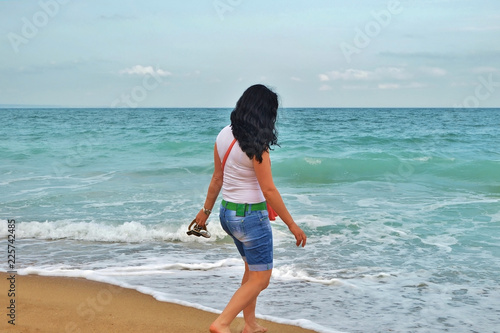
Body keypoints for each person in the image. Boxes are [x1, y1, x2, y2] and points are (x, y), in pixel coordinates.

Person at [195, 84, 307, 333]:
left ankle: (250, 324)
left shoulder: (224, 134)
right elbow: (269, 190)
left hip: (228, 214)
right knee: (261, 278)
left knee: (251, 270)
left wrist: (205, 212)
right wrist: (292, 225)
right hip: (249, 218)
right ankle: (222, 323)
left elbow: (217, 178)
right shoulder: (257, 147)